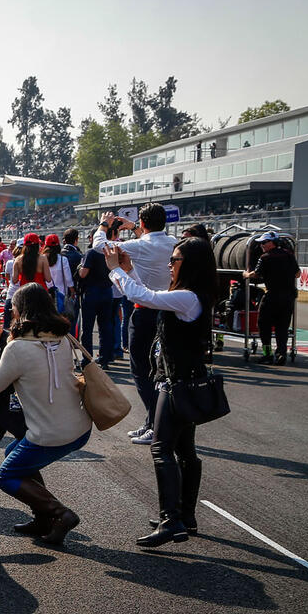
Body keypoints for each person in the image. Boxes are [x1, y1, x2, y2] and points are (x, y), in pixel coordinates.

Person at [105, 238, 217, 547]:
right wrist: (129, 270)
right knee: (185, 452)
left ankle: (172, 520)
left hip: (177, 383)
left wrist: (116, 270)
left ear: (189, 265)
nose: (170, 263)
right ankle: (185, 516)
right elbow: (149, 297)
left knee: (161, 448)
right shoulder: (189, 296)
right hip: (185, 381)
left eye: (176, 259)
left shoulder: (187, 297)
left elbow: (144, 296)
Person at [0, 283, 90, 544]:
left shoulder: (17, 348)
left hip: (48, 434)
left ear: (20, 313)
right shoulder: (62, 338)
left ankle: (59, 513)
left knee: (5, 476)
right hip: (81, 429)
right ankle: (42, 516)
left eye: (13, 310)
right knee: (13, 454)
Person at [94, 205, 175, 446]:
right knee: (159, 369)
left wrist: (104, 225)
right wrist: (135, 228)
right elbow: (150, 239)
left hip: (144, 311)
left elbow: (101, 246)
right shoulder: (171, 241)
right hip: (168, 309)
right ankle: (153, 421)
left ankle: (156, 423)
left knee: (141, 370)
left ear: (143, 221)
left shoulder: (142, 245)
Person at [244, 231, 299, 364]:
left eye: (264, 242)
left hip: (272, 295)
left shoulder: (265, 257)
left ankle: (267, 355)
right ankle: (281, 354)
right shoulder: (289, 255)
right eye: (261, 243)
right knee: (283, 327)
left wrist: (246, 274)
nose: (261, 245)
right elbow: (298, 274)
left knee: (263, 325)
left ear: (272, 243)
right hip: (289, 296)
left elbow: (256, 274)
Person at [76, 233, 116, 368]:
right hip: (107, 291)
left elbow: (83, 273)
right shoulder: (110, 252)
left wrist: (79, 267)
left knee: (87, 328)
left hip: (92, 292)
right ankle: (105, 358)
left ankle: (87, 359)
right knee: (105, 327)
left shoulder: (91, 253)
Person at [43, 234, 74, 314]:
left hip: (46, 295)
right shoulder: (63, 260)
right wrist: (72, 291)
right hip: (61, 295)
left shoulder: (42, 259)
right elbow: (68, 278)